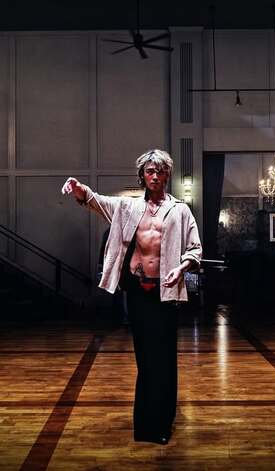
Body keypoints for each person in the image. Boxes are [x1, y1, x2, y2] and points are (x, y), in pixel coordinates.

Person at [61, 149, 202, 445]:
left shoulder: (180, 210)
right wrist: (78, 188)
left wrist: (181, 268)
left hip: (166, 291)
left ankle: (163, 424)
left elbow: (195, 249)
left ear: (167, 175)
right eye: (150, 171)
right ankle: (146, 425)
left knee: (164, 358)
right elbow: (96, 200)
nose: (155, 176)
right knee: (145, 358)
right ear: (142, 176)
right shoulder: (127, 207)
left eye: (160, 171)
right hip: (138, 291)